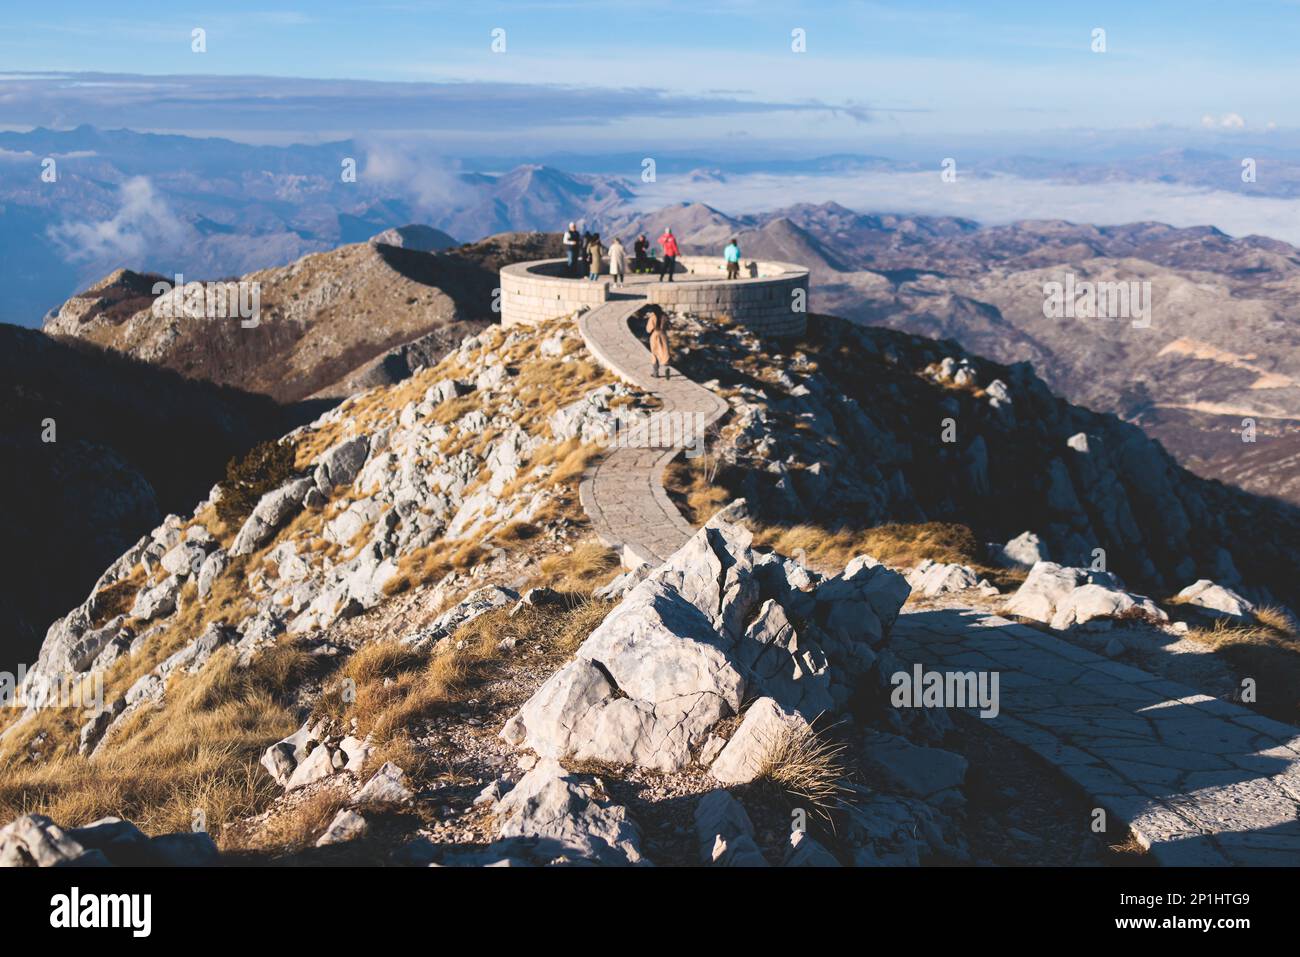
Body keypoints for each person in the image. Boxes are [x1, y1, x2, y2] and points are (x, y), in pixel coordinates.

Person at [645, 306, 671, 378]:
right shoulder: (665, 316)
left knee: (654, 354)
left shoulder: (653, 317)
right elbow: (669, 326)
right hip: (663, 335)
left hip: (655, 336)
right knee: (665, 354)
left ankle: (655, 374)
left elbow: (648, 329)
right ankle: (667, 374)